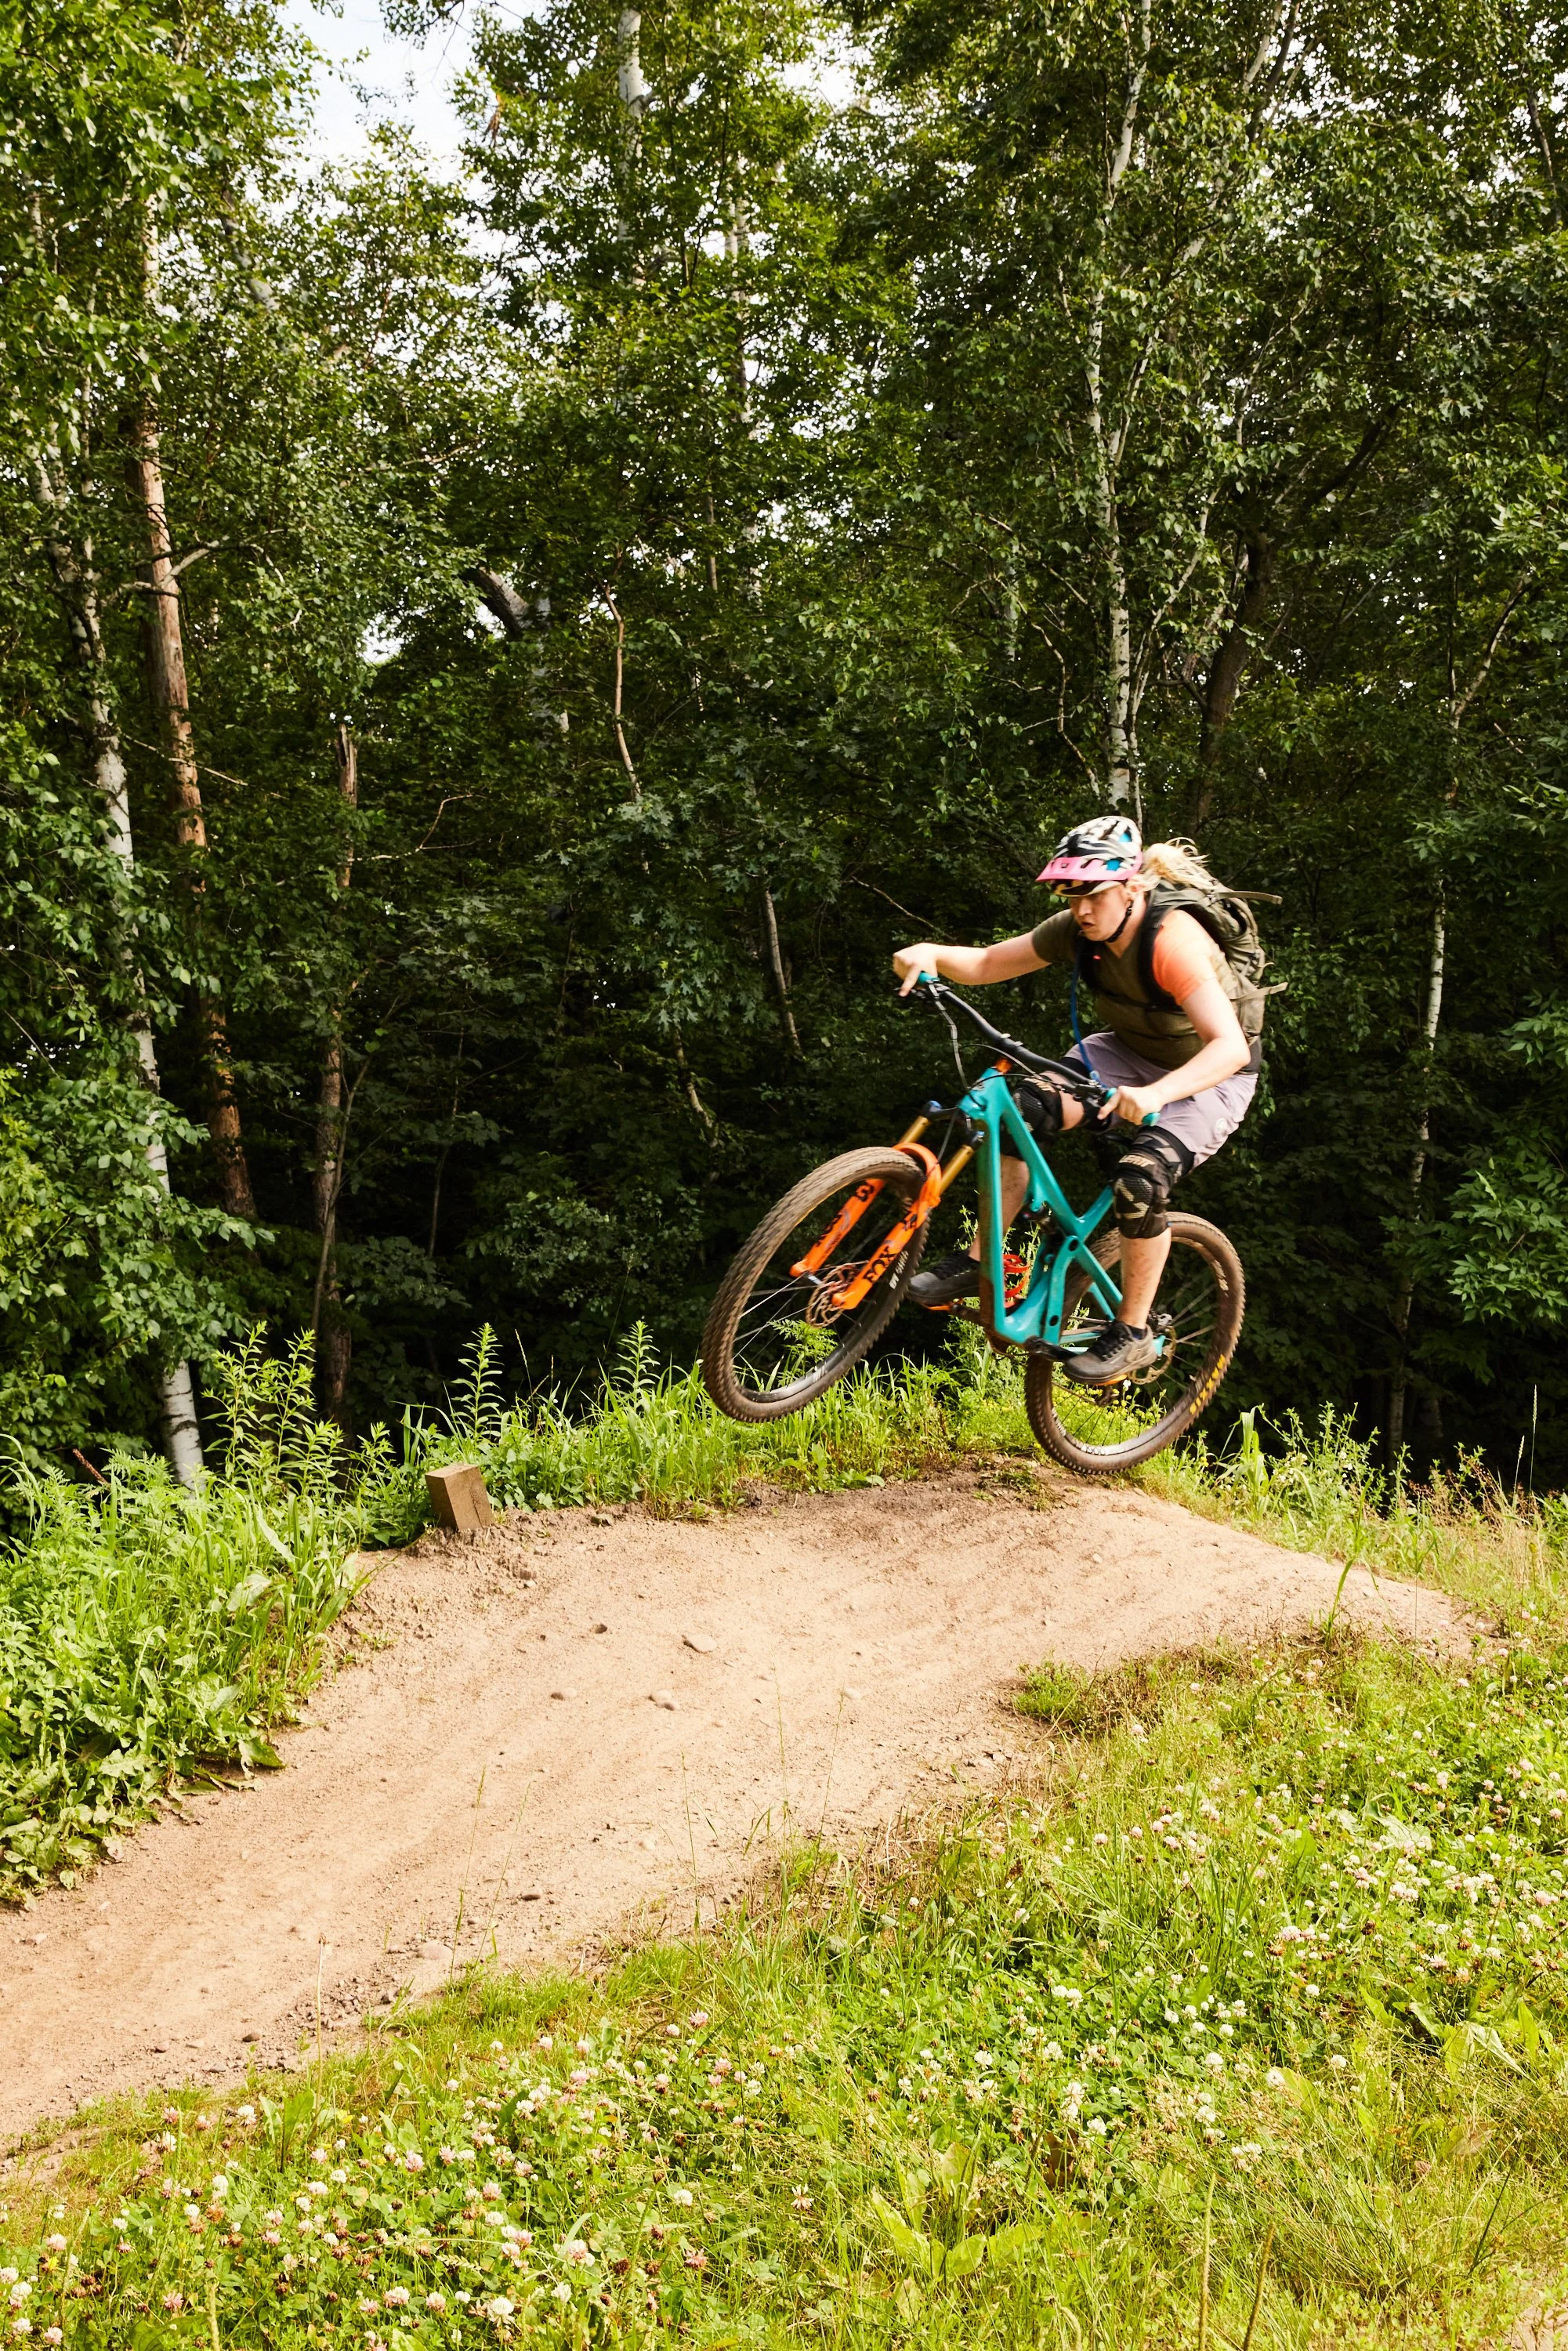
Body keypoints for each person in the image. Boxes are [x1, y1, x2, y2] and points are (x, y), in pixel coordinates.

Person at [890, 816, 1258, 1385]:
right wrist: (928, 955)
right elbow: (988, 963)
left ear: (1131, 887)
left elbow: (1228, 1047)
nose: (1081, 909)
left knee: (1138, 1181)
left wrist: (1156, 1094)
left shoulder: (1173, 941)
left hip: (1207, 1075)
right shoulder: (1079, 929)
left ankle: (1133, 1332)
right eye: (1070, 894)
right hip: (1121, 1052)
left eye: (1092, 894)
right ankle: (978, 1263)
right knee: (1018, 1111)